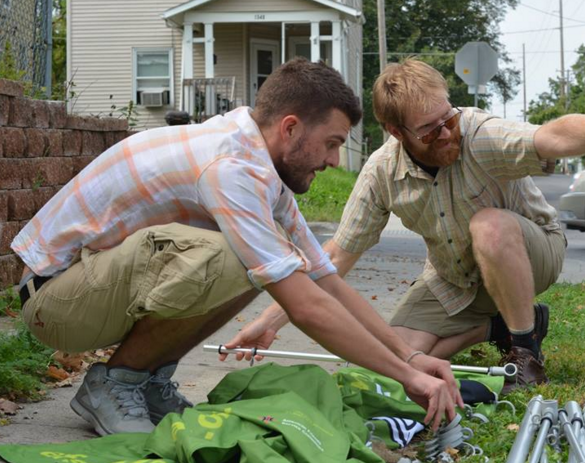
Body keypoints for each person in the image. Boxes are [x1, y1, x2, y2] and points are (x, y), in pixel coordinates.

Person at [10, 58, 463, 437]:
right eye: (331, 144)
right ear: (290, 128)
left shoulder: (261, 167)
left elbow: (324, 279)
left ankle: (146, 381)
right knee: (237, 258)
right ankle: (114, 384)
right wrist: (406, 378)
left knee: (263, 260)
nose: (331, 160)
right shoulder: (231, 167)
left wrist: (412, 359)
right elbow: (304, 307)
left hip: (92, 288)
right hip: (55, 299)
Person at [231, 58, 585, 393]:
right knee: (397, 358)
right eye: (429, 129)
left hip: (531, 253)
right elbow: (336, 256)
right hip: (452, 278)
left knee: (489, 225)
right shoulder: (380, 172)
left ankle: (525, 351)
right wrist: (271, 320)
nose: (447, 132)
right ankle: (495, 329)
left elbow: (553, 136)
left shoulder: (478, 132)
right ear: (397, 134)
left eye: (447, 117)